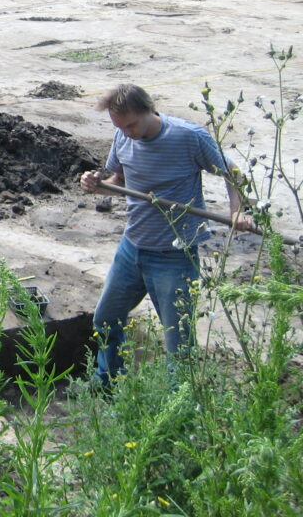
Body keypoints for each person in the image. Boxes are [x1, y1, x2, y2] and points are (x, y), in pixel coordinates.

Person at [79, 84, 254, 387]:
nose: (127, 132)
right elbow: (119, 181)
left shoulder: (188, 137)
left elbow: (232, 172)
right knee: (105, 320)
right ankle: (107, 383)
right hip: (132, 249)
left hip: (175, 256)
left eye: (132, 124)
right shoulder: (122, 136)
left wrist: (238, 211)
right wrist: (97, 184)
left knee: (178, 342)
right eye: (120, 126)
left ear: (149, 109)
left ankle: (178, 409)